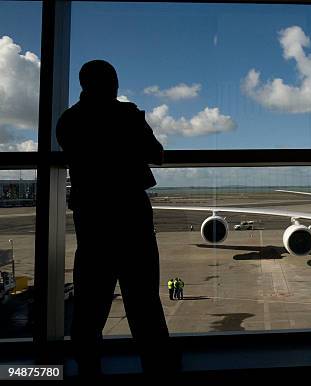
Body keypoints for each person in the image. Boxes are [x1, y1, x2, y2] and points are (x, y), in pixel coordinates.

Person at [56, 60, 177, 376]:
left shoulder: (69, 121)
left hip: (93, 218)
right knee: (144, 301)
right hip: (130, 217)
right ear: (113, 83)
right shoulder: (126, 116)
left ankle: (87, 364)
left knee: (90, 302)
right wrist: (136, 122)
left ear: (84, 84)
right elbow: (157, 154)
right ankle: (157, 364)